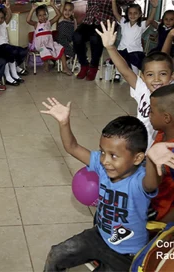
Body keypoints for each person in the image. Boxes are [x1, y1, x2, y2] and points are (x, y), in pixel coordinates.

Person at [41, 97, 174, 271]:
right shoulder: (101, 165)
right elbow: (72, 147)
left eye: (113, 155)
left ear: (138, 158)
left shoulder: (140, 180)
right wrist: (64, 123)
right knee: (56, 254)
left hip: (126, 254)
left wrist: (152, 160)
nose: (105, 160)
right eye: (103, 152)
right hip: (99, 236)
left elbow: (151, 183)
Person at [97, 20, 174, 149]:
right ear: (142, 77)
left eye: (162, 74)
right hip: (142, 148)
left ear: (171, 76)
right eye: (150, 75)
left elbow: (164, 59)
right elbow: (125, 71)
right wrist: (110, 47)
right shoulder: (142, 88)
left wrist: (170, 36)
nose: (156, 79)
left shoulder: (171, 92)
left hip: (164, 152)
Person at [73, 0, 134, 81]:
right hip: (89, 21)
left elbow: (128, 1)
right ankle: (84, 64)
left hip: (106, 22)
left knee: (95, 37)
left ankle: (94, 66)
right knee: (77, 36)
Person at [111, 0, 157, 81]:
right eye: (130, 13)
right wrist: (113, 1)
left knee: (134, 65)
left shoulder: (141, 25)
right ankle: (117, 74)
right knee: (120, 62)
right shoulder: (123, 22)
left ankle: (135, 78)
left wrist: (154, 7)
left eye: (135, 13)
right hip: (122, 48)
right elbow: (115, 13)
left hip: (135, 50)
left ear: (140, 14)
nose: (132, 15)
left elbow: (150, 20)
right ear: (127, 14)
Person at [147, 85, 174, 223]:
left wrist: (163, 230)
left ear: (166, 118)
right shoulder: (161, 133)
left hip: (158, 215)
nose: (148, 115)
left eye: (151, 111)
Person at [26, 2, 73, 75]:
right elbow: (28, 20)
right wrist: (32, 9)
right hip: (41, 45)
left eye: (44, 14)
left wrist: (53, 5)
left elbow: (58, 15)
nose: (43, 17)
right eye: (40, 15)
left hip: (50, 43)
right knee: (44, 50)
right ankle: (46, 64)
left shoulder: (49, 23)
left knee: (61, 49)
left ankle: (65, 68)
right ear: (37, 17)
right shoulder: (36, 24)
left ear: (47, 14)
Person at [0, 1, 29, 77]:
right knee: (12, 52)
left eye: (2, 18)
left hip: (6, 46)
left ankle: (15, 66)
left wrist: (8, 8)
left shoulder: (3, 23)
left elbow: (9, 16)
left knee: (23, 51)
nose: (0, 20)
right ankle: (14, 71)